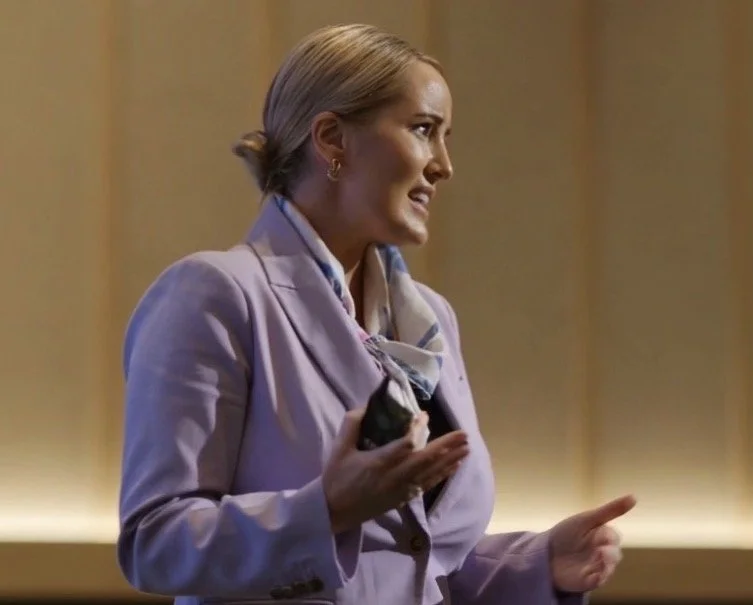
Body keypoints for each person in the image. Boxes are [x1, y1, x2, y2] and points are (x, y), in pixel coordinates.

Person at [116, 23, 636, 605]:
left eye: (445, 137)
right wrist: (326, 509)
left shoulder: (429, 320)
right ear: (333, 138)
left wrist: (537, 565)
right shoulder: (215, 294)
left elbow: (417, 560)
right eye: (423, 130)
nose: (443, 165)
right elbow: (155, 545)